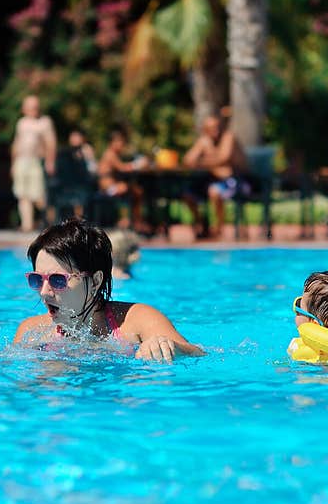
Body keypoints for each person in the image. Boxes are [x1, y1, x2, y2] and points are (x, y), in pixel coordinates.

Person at [13, 218, 203, 362]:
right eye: (37, 279)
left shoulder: (136, 322)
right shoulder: (31, 332)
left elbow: (198, 353)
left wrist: (168, 347)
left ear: (95, 281)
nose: (44, 292)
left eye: (57, 280)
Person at [182, 113, 249, 238]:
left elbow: (224, 158)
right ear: (204, 130)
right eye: (211, 128)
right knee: (188, 194)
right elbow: (187, 160)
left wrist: (202, 161)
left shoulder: (228, 137)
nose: (215, 131)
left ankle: (219, 229)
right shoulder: (204, 141)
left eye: (217, 127)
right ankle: (200, 223)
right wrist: (203, 146)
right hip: (213, 180)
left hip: (238, 182)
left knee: (214, 191)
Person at [11, 95, 56, 232]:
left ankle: (52, 224)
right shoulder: (21, 123)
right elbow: (16, 143)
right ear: (24, 109)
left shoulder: (44, 122)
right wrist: (13, 163)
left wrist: (50, 162)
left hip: (36, 161)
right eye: (30, 106)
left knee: (38, 196)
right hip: (21, 161)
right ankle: (27, 225)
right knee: (22, 194)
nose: (33, 109)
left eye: (35, 106)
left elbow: (51, 143)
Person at [97, 129, 148, 232]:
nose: (121, 145)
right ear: (112, 142)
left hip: (111, 187)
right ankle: (128, 221)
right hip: (108, 189)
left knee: (136, 191)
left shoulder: (114, 154)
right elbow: (122, 168)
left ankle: (133, 221)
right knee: (131, 190)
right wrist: (138, 164)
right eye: (119, 142)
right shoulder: (110, 154)